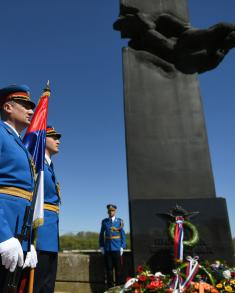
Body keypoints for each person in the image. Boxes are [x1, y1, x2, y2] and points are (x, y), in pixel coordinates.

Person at [0, 84, 38, 287]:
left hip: (19, 235)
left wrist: (28, 242)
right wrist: (3, 235)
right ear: (8, 107)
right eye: (25, 105)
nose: (31, 111)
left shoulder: (19, 144)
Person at [33, 126, 61, 293]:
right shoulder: (38, 164)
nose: (58, 141)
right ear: (43, 140)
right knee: (37, 285)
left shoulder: (49, 166)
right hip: (40, 236)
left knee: (48, 287)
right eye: (54, 137)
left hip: (51, 237)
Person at [99, 204, 126, 289]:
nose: (111, 212)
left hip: (117, 248)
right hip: (107, 249)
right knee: (109, 271)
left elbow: (123, 235)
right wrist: (102, 246)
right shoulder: (104, 221)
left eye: (112, 211)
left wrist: (122, 246)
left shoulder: (119, 221)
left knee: (118, 271)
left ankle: (119, 288)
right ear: (108, 212)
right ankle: (110, 289)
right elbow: (101, 234)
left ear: (115, 211)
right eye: (110, 211)